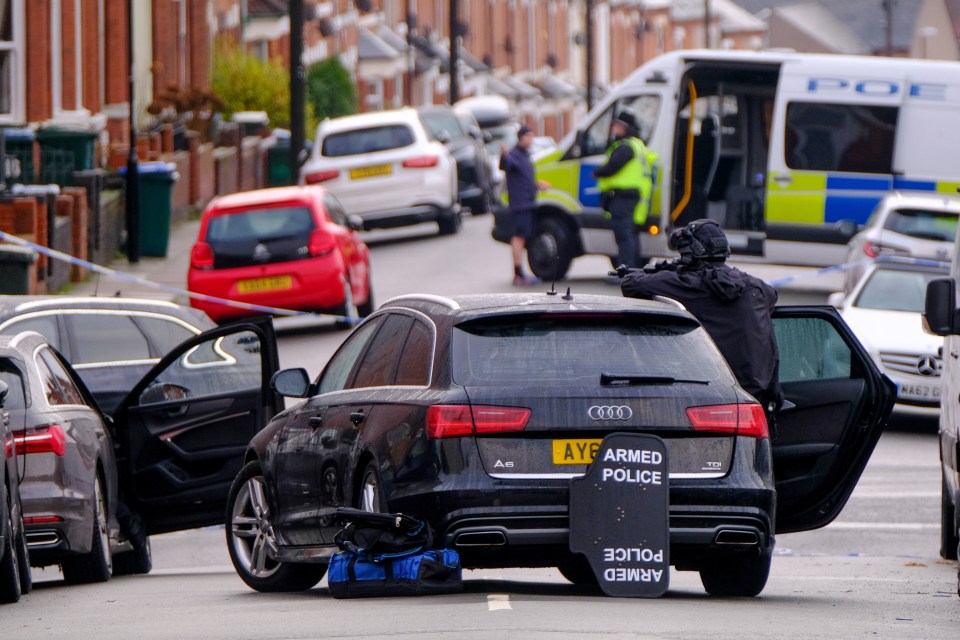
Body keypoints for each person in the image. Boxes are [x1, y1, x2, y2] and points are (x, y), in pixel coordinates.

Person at [618, 219, 783, 416]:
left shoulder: (691, 284)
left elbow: (631, 285)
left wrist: (671, 271)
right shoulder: (753, 286)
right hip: (761, 397)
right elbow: (771, 296)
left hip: (719, 395)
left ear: (692, 253)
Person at [593, 111, 656, 273]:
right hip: (629, 195)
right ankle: (633, 270)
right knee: (630, 234)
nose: (614, 129)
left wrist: (598, 172)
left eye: (617, 125)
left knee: (624, 235)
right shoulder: (635, 144)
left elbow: (613, 167)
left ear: (625, 128)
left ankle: (626, 271)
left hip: (623, 196)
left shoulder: (626, 147)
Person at [500, 124, 550, 286]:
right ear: (520, 138)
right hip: (520, 204)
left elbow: (523, 179)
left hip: (528, 202)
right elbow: (506, 165)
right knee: (519, 237)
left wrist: (537, 185)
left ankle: (521, 272)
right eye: (528, 136)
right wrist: (504, 155)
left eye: (532, 136)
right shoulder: (514, 155)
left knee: (523, 237)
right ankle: (518, 273)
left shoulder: (525, 155)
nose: (531, 140)